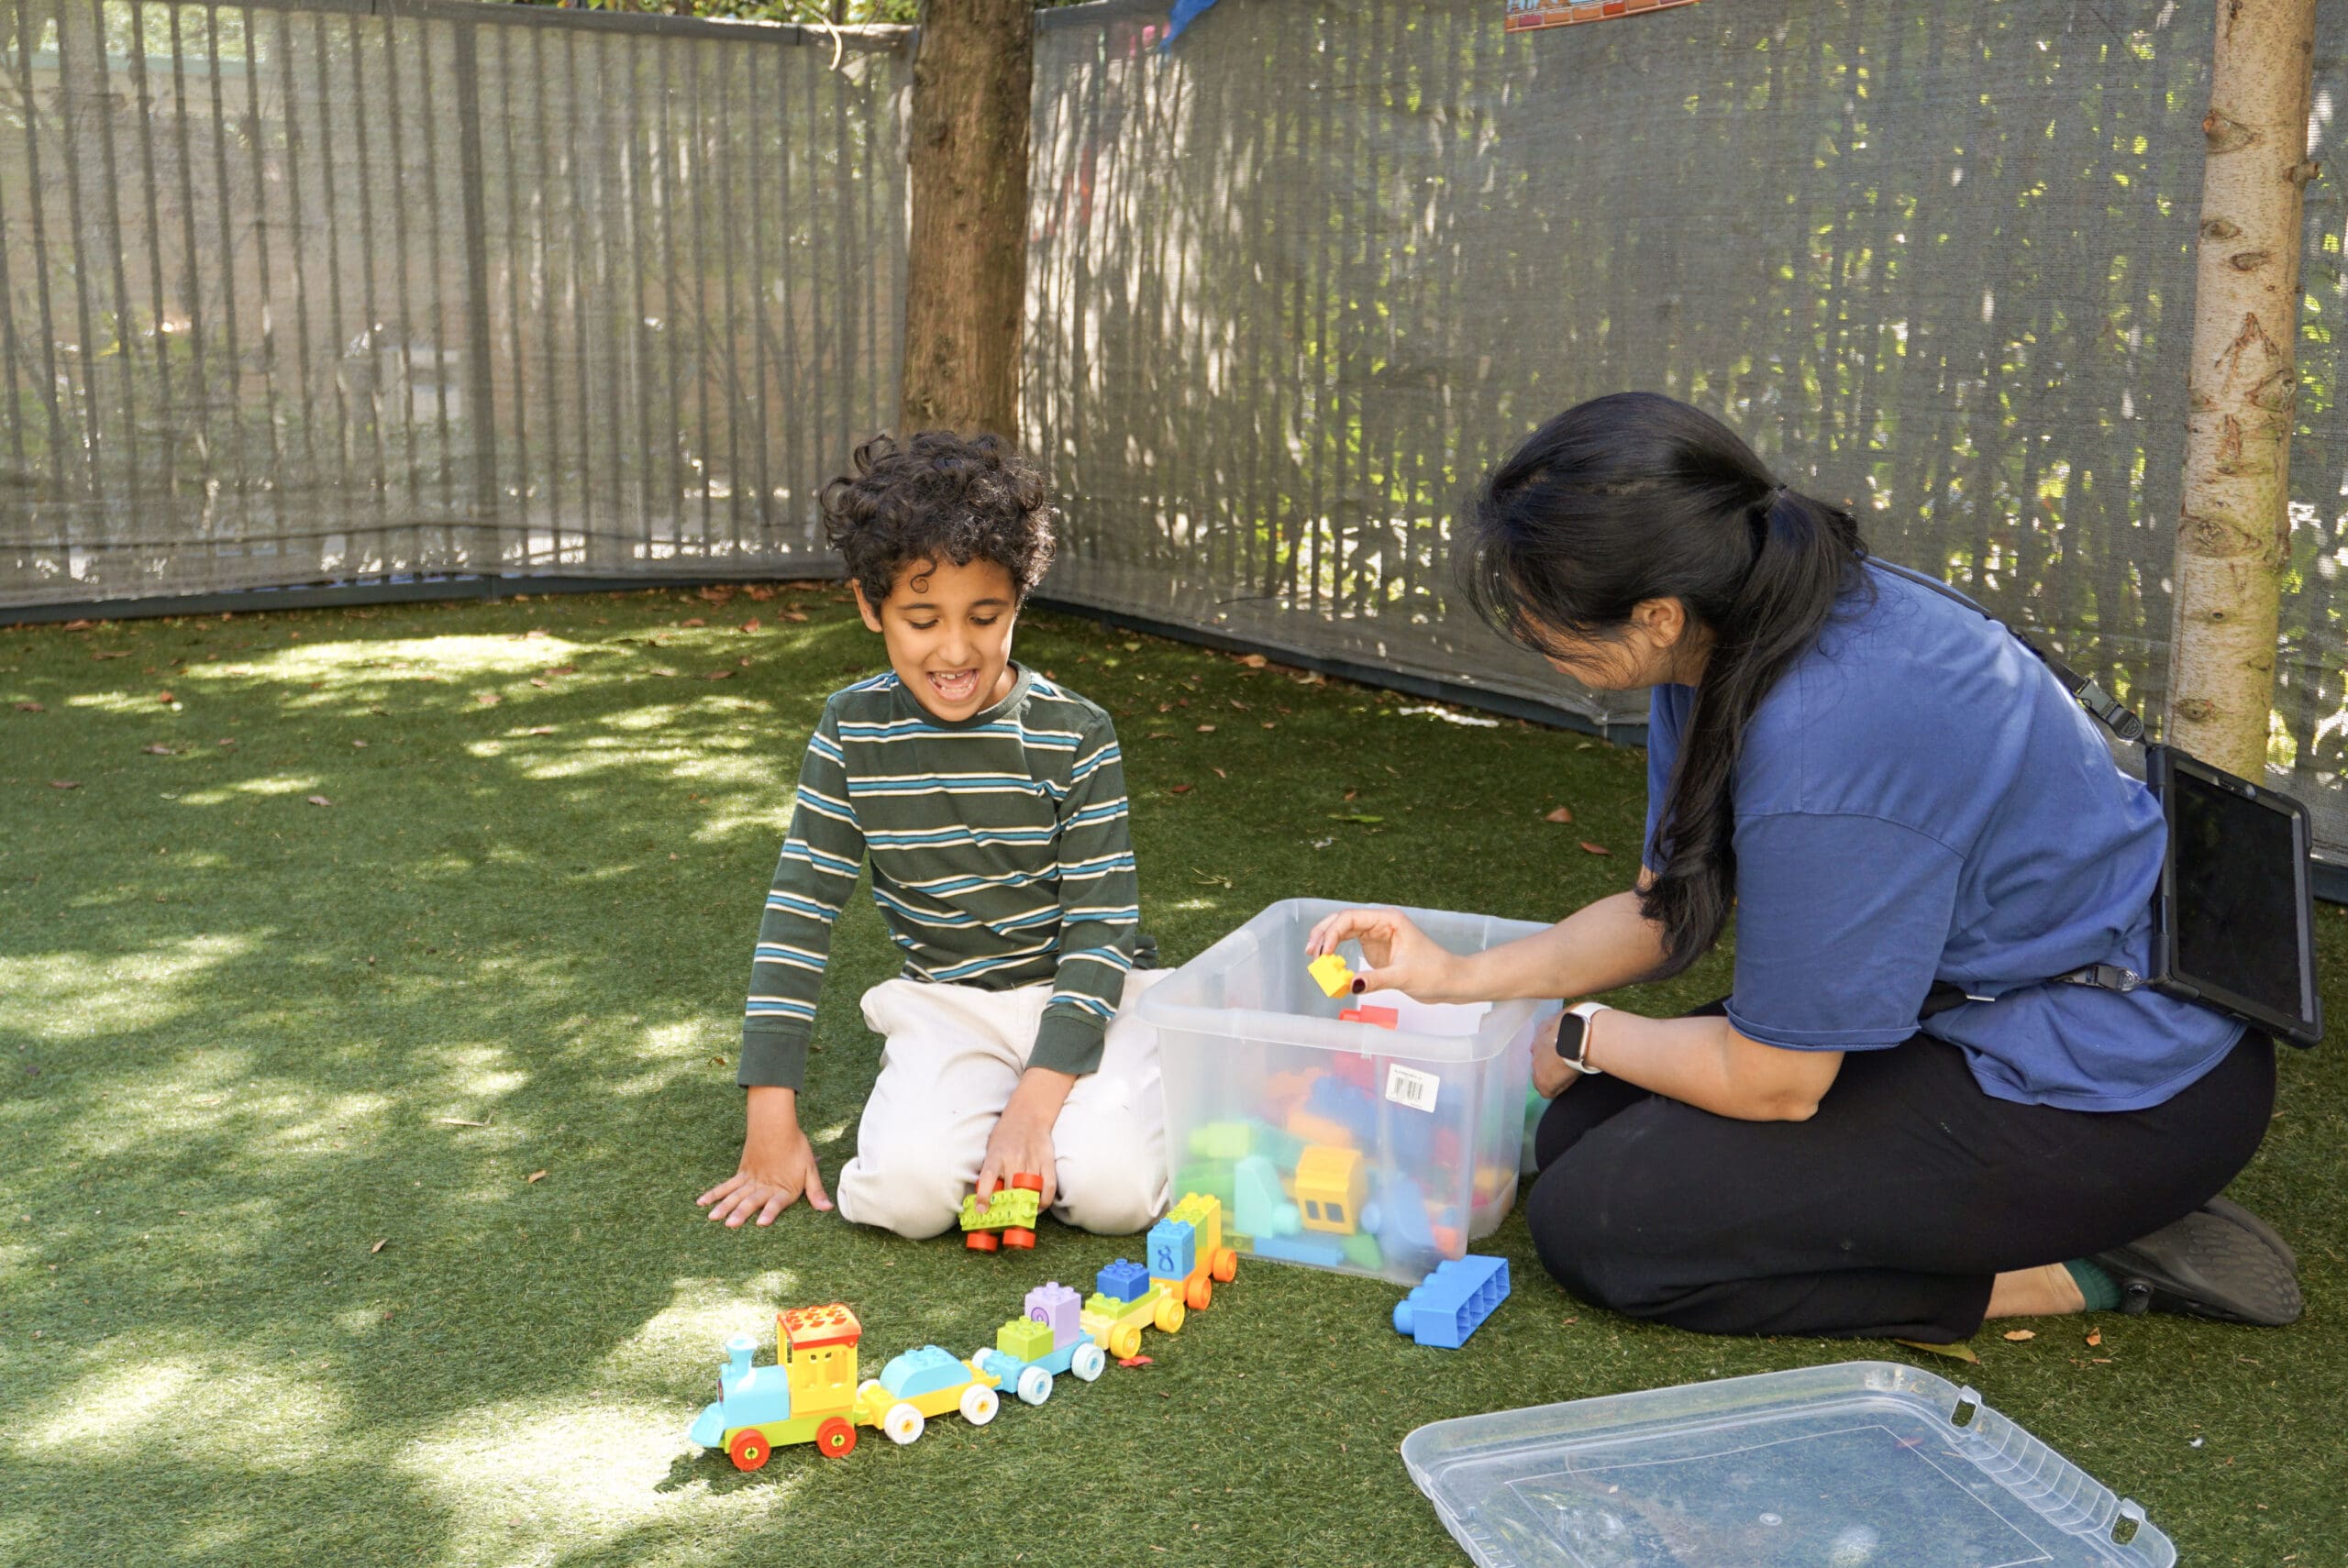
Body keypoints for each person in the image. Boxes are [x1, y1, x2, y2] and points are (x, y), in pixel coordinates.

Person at [1307, 392, 2301, 1342]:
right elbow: (1665, 911)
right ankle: (2039, 1222)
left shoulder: (1828, 737)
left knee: (1602, 1227)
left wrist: (1581, 1032)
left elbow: (1776, 1082)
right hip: (1974, 1002)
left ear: (1652, 614)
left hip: (2121, 1088)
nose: (1532, 642)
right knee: (1577, 1137)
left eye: (1541, 620)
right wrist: (1454, 977)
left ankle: (2083, 1263)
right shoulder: (1731, 625)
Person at [697, 431, 1166, 1239]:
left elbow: (1101, 929)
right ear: (870, 607)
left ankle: (1088, 1105)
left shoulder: (1076, 732)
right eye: (922, 618)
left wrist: (1031, 1105)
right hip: (951, 1005)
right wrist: (769, 1119)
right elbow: (800, 913)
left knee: (1114, 1199)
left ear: (1019, 602)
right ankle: (1005, 1120)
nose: (955, 650)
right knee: (899, 1201)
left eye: (985, 616)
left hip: (1088, 998)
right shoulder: (853, 728)